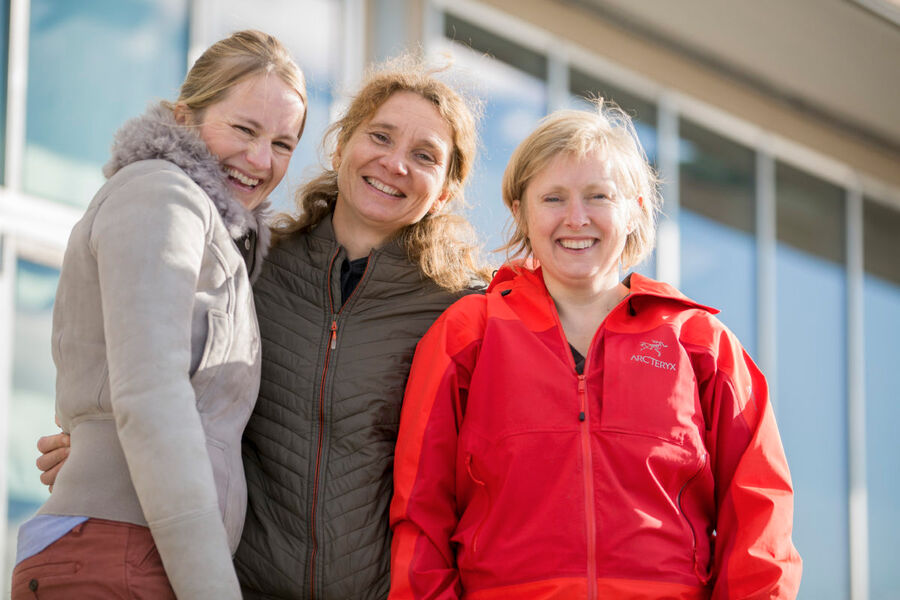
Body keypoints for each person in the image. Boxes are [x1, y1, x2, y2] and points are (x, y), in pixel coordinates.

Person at [389, 103, 802, 599]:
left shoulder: (700, 344)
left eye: (598, 196)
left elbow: (761, 521)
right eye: (553, 198)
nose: (576, 218)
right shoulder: (467, 335)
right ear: (520, 211)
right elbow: (420, 517)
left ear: (635, 211)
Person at [14, 30, 308, 599]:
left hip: (144, 552)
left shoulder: (218, 231)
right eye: (244, 129)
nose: (260, 160)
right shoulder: (160, 192)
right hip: (123, 554)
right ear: (184, 116)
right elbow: (150, 395)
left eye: (284, 143)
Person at [232, 57, 490, 599]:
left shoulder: (466, 314)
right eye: (380, 136)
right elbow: (175, 383)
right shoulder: (255, 266)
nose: (395, 163)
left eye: (424, 156)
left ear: (443, 191)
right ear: (342, 145)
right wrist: (96, 441)